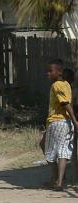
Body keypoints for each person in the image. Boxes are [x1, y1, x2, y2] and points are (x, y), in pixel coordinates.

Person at [41, 59, 78, 190]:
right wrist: (73, 121)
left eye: (50, 71)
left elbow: (65, 104)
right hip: (66, 123)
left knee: (49, 150)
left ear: (59, 72)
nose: (48, 74)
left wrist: (75, 120)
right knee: (62, 151)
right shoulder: (67, 85)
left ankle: (55, 178)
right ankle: (60, 181)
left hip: (56, 122)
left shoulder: (56, 85)